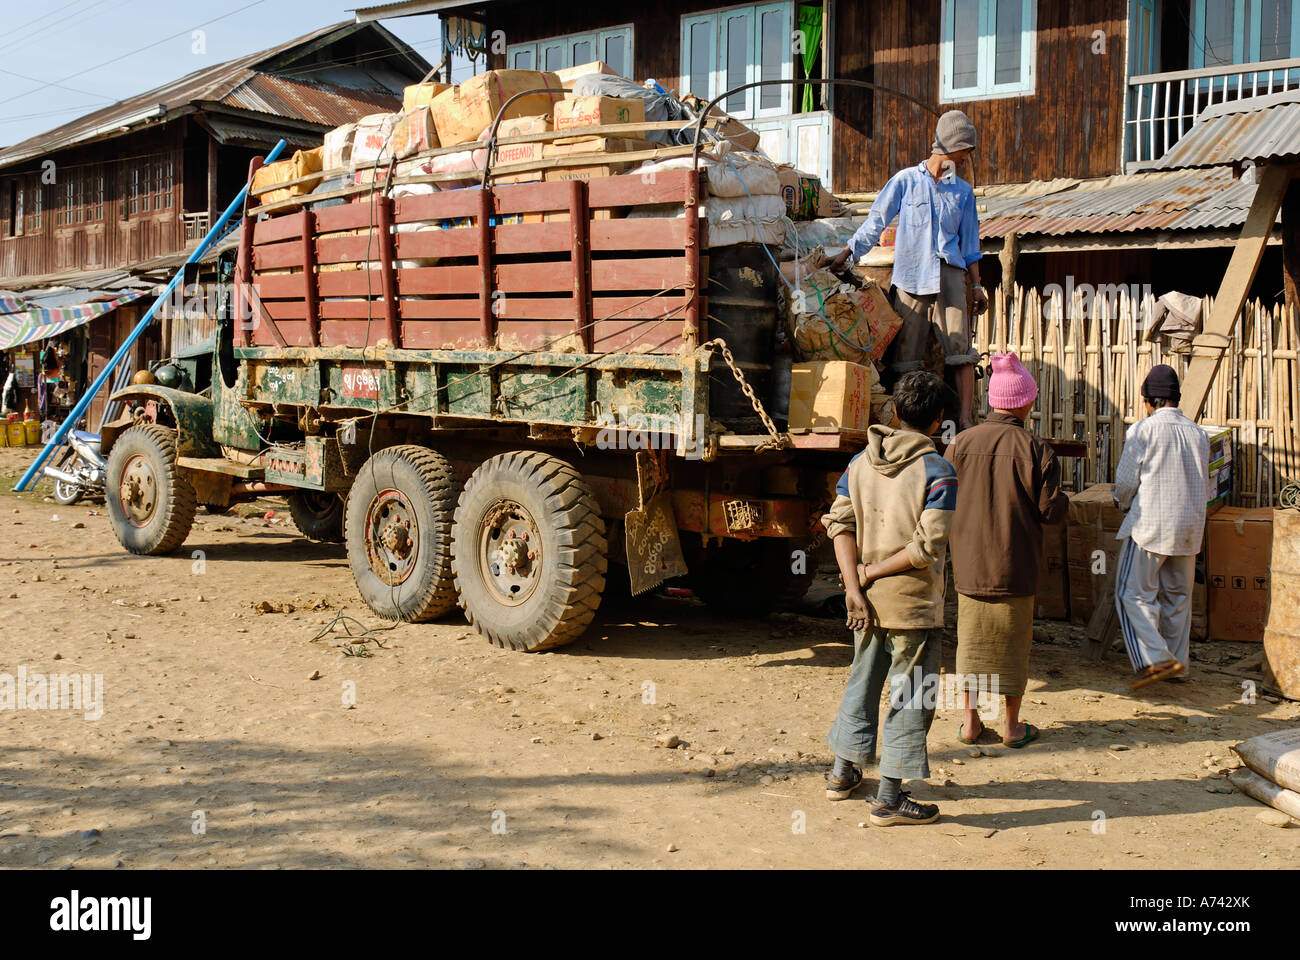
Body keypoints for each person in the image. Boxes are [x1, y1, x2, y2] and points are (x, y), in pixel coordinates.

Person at [822, 371, 956, 826]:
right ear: (939, 420)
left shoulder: (861, 461)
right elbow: (927, 547)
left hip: (866, 603)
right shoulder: (937, 470)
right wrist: (871, 572)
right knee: (913, 696)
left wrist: (855, 586)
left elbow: (839, 522)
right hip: (913, 606)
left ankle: (842, 773)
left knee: (862, 681)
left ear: (894, 411)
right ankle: (890, 798)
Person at [829, 109, 987, 430]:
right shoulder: (906, 181)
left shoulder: (963, 192)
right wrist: (848, 251)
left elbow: (970, 245)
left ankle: (967, 420)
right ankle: (903, 423)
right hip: (911, 276)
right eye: (966, 150)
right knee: (906, 357)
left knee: (961, 351)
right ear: (951, 146)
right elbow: (877, 220)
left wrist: (976, 286)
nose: (968, 157)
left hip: (951, 276)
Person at [945, 352, 1069, 748]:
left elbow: (942, 502)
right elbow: (1050, 512)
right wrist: (1067, 502)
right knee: (1014, 647)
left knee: (970, 644)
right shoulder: (1037, 448)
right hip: (1016, 568)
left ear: (993, 402)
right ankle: (1013, 726)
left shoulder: (959, 444)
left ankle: (970, 723)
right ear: (1027, 403)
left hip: (969, 566)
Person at [1112, 364, 1210, 688]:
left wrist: (1121, 503)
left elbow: (1126, 482)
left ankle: (1156, 660)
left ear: (1150, 400)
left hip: (1151, 526)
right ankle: (1178, 666)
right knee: (1178, 599)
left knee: (1132, 595)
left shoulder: (1143, 430)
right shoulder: (1198, 434)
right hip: (1189, 529)